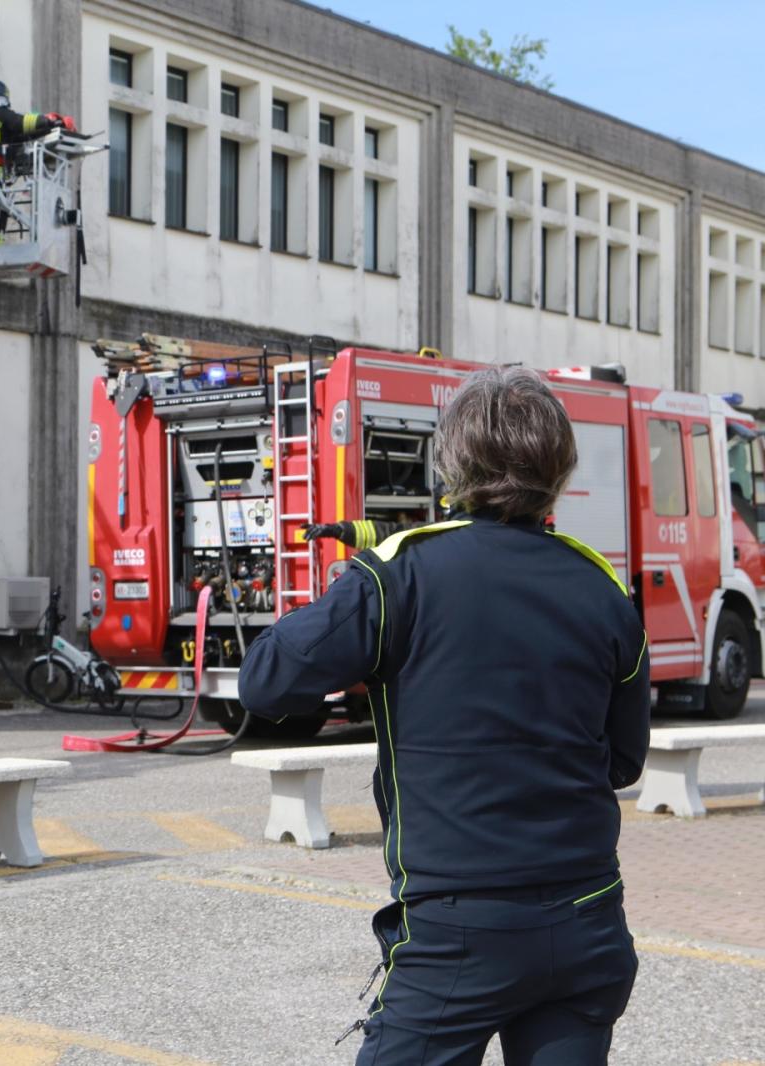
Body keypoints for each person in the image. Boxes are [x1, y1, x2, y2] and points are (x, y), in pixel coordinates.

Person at [240, 367, 649, 1065]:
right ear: (558, 471)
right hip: (588, 922)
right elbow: (623, 762)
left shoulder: (398, 574)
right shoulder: (602, 587)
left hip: (458, 931)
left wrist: (355, 589)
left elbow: (265, 682)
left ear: (451, 464)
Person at [0, 80, 75, 245]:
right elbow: (23, 122)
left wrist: (50, 127)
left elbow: (23, 135)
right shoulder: (3, 114)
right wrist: (50, 120)